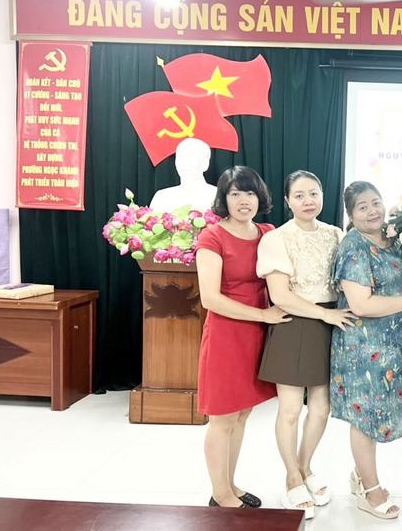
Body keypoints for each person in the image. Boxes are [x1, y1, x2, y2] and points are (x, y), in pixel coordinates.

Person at [330, 181, 402, 520]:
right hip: (362, 345)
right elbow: (360, 304)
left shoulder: (392, 240)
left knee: (377, 415)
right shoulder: (354, 247)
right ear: (351, 214)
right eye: (363, 206)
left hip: (393, 345)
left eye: (376, 202)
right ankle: (370, 491)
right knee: (364, 417)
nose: (373, 210)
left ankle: (361, 476)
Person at [256, 170, 355, 519]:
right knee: (291, 410)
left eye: (313, 193)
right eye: (299, 195)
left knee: (322, 408)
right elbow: (280, 295)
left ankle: (305, 467)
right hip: (295, 324)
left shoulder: (336, 234)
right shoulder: (277, 239)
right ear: (287, 201)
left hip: (332, 322)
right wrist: (325, 316)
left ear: (323, 196)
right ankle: (291, 478)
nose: (307, 201)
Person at [196, 166, 291, 509]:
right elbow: (211, 299)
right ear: (223, 199)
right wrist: (264, 314)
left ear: (259, 197)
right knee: (222, 417)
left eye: (249, 193)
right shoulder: (212, 237)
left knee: (241, 415)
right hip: (227, 334)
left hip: (258, 336)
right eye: (234, 193)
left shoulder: (267, 232)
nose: (243, 200)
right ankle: (219, 493)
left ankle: (229, 485)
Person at [150, 138, 218, 212]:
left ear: (205, 164)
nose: (183, 163)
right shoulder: (162, 197)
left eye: (190, 157)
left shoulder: (217, 196)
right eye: (180, 157)